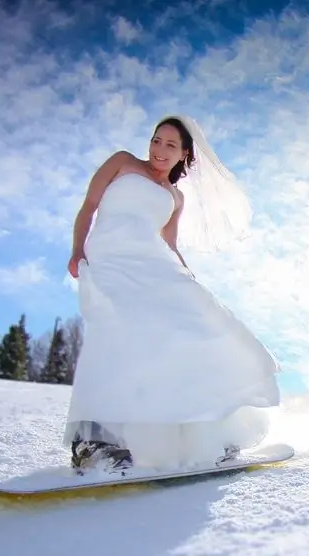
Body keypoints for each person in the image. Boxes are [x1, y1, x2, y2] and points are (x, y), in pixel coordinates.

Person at [63, 115, 281, 473]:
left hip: (153, 264)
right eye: (155, 140)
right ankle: (93, 442)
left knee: (196, 327)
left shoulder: (175, 198)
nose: (159, 150)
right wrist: (77, 249)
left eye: (170, 145)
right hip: (110, 260)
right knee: (112, 334)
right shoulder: (121, 162)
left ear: (184, 155)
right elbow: (88, 207)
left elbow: (169, 244)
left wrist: (188, 278)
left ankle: (214, 434)